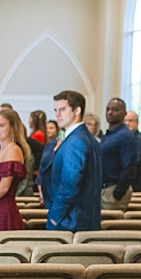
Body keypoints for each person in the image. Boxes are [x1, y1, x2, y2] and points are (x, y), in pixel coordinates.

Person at [45, 89, 102, 232]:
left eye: (62, 109)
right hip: (82, 218)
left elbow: (70, 183)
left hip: (70, 221)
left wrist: (55, 216)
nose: (57, 115)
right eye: (55, 110)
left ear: (77, 110)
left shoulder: (75, 141)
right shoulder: (85, 137)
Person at [100, 97, 138, 210]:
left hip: (113, 189)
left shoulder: (126, 136)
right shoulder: (108, 135)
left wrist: (118, 193)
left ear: (124, 114)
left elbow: (129, 167)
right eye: (108, 109)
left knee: (109, 225)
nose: (110, 113)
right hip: (103, 189)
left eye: (115, 110)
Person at [126, 110, 141, 192]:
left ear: (137, 122)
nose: (127, 123)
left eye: (130, 120)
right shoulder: (119, 138)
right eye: (125, 120)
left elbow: (139, 160)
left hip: (136, 182)